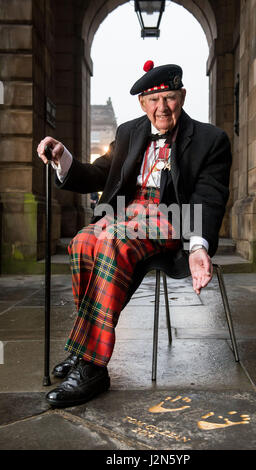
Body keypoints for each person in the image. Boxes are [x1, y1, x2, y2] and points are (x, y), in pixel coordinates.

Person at [37, 61, 232, 408]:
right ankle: (86, 348)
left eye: (170, 98)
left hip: (172, 218)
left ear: (182, 97)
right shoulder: (129, 132)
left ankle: (92, 365)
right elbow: (98, 174)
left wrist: (199, 247)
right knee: (83, 242)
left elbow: (209, 198)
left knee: (112, 242)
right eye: (154, 101)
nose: (162, 108)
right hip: (125, 216)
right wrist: (61, 157)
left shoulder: (210, 140)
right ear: (143, 103)